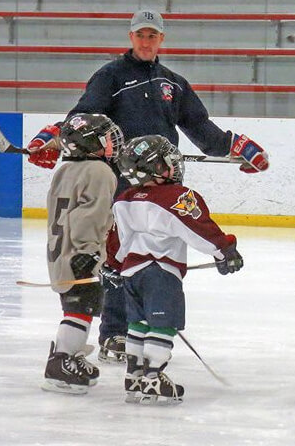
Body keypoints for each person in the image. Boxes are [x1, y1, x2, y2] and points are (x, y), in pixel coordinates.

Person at [25, 8, 269, 364]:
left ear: (161, 40)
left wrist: (238, 148)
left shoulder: (174, 83)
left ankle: (147, 327)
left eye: (152, 35)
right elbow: (85, 114)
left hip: (163, 181)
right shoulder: (110, 75)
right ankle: (114, 333)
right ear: (131, 37)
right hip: (122, 181)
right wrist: (56, 137)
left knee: (153, 258)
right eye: (140, 34)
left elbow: (200, 128)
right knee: (117, 256)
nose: (146, 40)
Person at [107, 135, 244, 405]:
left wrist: (112, 266)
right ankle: (153, 377)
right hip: (161, 275)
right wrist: (224, 250)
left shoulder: (125, 200)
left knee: (138, 323)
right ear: (156, 167)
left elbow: (117, 241)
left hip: (132, 276)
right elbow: (200, 229)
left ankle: (134, 376)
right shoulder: (177, 196)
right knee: (163, 324)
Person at [42, 113, 124, 394]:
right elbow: (90, 215)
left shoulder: (65, 169)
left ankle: (69, 356)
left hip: (60, 251)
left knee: (75, 306)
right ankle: (62, 361)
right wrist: (89, 252)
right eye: (106, 136)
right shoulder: (100, 172)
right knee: (81, 307)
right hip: (79, 251)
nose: (112, 141)